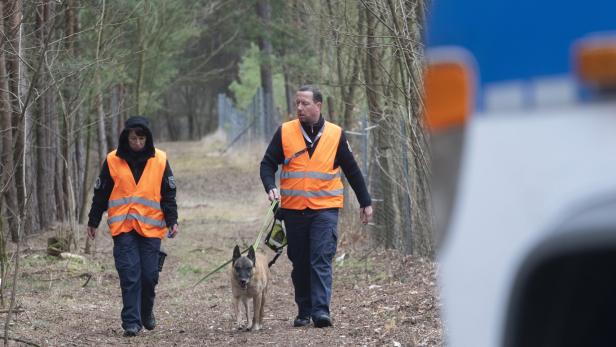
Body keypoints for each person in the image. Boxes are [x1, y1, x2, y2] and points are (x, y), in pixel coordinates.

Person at [260, 85, 374, 328]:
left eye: (304, 103)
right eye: (297, 103)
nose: (299, 108)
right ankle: (304, 310)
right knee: (299, 261)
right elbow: (267, 164)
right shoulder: (285, 132)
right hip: (293, 209)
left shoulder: (335, 134)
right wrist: (270, 185)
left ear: (318, 105)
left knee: (321, 257)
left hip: (325, 209)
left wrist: (365, 202)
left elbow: (352, 170)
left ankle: (321, 311)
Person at [86, 116, 179, 337]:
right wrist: (93, 220)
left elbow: (168, 194)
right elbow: (101, 193)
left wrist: (172, 220)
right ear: (126, 138)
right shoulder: (112, 160)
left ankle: (146, 312)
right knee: (130, 274)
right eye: (133, 138)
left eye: (141, 138)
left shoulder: (160, 159)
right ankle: (131, 322)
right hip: (123, 227)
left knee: (149, 275)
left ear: (148, 138)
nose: (137, 142)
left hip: (151, 228)